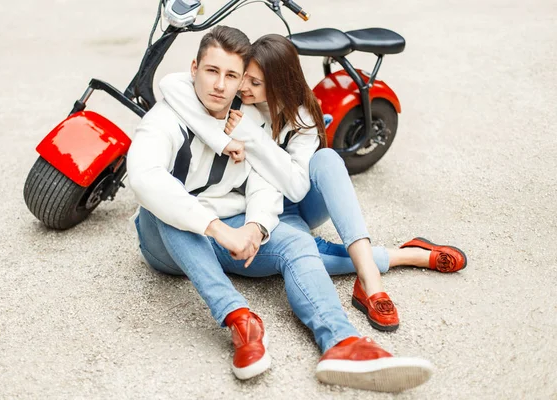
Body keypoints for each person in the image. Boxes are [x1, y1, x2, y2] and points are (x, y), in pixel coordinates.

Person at [129, 26, 433, 392]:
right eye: (212, 72)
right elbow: (145, 178)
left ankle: (342, 342)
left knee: (298, 243)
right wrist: (219, 229)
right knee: (170, 207)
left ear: (243, 80)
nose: (221, 86)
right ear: (193, 68)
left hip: (237, 232)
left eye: (232, 76)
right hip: (168, 244)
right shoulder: (165, 119)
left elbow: (265, 184)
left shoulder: (252, 119)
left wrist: (255, 227)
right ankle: (241, 320)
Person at [159, 34, 467, 333]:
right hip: (256, 204)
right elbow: (171, 83)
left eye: (255, 83)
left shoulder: (301, 117)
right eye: (244, 77)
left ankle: (371, 281)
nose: (242, 86)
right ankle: (408, 254)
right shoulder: (236, 99)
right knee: (304, 257)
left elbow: (295, 187)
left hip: (297, 202)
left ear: (278, 84)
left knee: (328, 159)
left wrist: (252, 136)